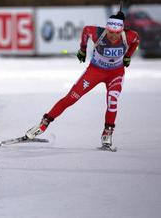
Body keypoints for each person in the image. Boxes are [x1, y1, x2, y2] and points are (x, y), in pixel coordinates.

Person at [25, 11, 139, 147]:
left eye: (117, 33)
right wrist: (83, 49)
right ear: (106, 29)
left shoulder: (130, 35)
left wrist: (128, 56)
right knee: (71, 98)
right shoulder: (97, 33)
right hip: (95, 71)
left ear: (122, 30)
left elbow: (136, 41)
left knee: (112, 102)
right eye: (111, 32)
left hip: (116, 73)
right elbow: (85, 31)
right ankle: (43, 124)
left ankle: (107, 133)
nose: (114, 36)